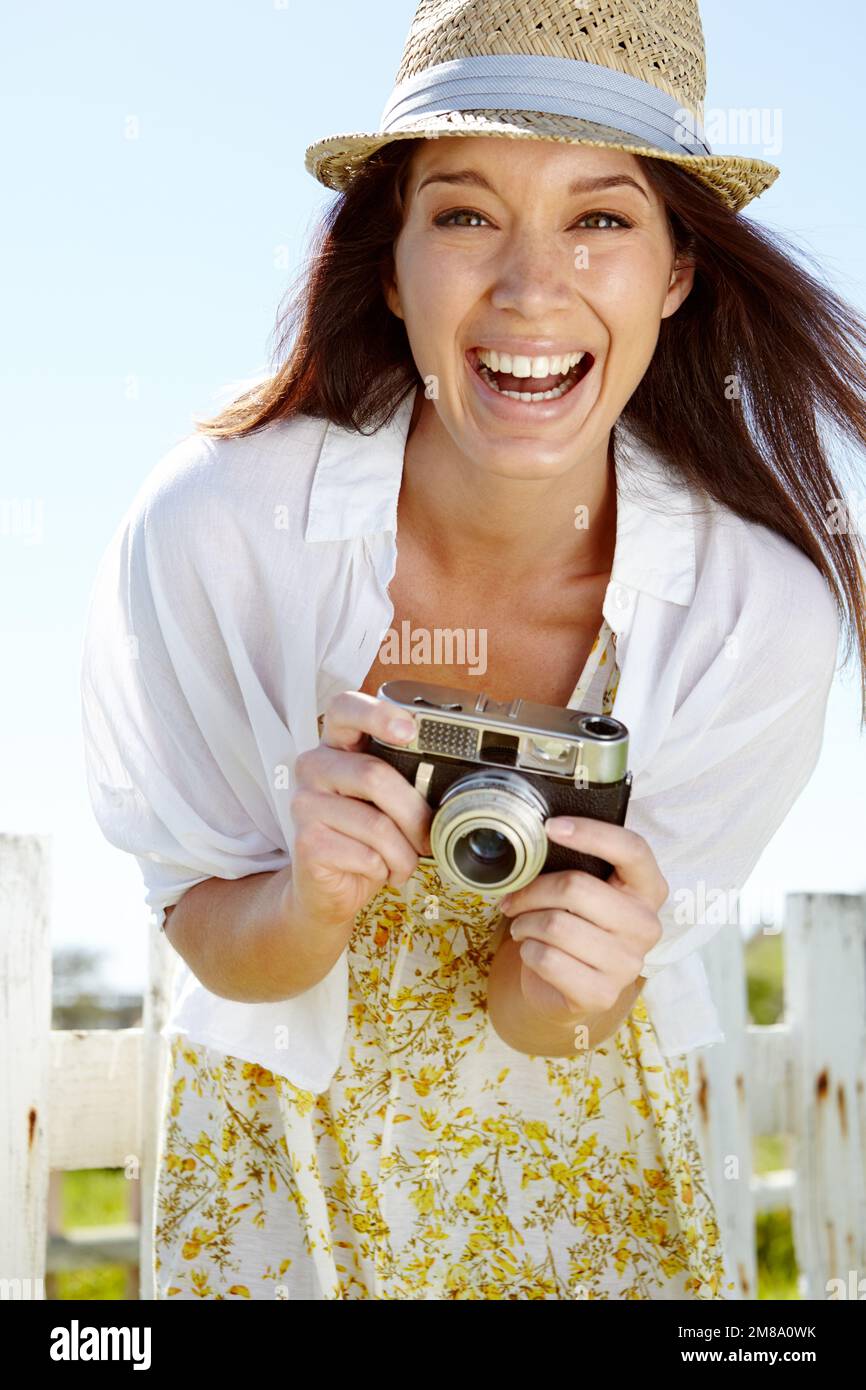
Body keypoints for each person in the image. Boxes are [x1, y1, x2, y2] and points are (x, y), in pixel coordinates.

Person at [80, 0, 866, 1300]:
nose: (527, 286)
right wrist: (306, 898)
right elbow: (204, 925)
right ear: (389, 261)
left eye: (599, 217)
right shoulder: (216, 528)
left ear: (676, 269)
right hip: (281, 1168)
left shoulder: (754, 613)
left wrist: (571, 979)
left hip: (580, 1181)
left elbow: (562, 1016)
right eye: (463, 212)